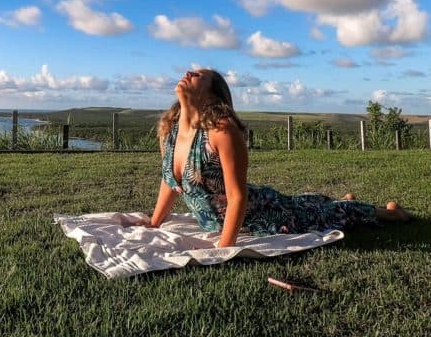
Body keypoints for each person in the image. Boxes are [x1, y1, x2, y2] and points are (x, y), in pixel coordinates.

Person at [147, 69, 411, 247]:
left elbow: (238, 196)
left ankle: (392, 214)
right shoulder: (170, 128)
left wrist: (224, 248)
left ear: (212, 95)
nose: (189, 73)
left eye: (199, 76)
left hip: (262, 215)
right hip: (229, 216)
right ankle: (343, 202)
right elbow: (169, 181)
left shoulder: (222, 130)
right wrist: (154, 223)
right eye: (191, 72)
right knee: (312, 204)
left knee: (322, 215)